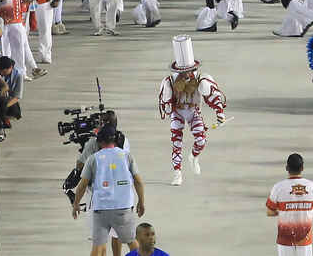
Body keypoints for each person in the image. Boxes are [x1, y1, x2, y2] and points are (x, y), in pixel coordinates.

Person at [157, 36, 226, 185]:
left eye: (189, 70)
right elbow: (166, 103)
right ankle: (177, 173)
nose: (187, 73)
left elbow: (213, 96)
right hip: (178, 112)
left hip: (193, 111)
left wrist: (219, 113)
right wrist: (169, 105)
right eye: (184, 71)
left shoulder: (202, 80)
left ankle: (194, 157)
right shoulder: (169, 81)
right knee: (176, 142)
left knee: (201, 139)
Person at [73, 124, 145, 256]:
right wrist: (141, 201)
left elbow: (82, 185)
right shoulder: (126, 156)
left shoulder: (93, 159)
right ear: (117, 139)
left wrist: (76, 204)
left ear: (99, 141)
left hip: (101, 208)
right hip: (123, 208)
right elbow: (138, 181)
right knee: (131, 242)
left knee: (98, 245)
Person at [267, 154, 313, 256]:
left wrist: (284, 211)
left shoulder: (278, 187)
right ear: (302, 168)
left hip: (285, 238)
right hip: (305, 239)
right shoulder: (312, 187)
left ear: (287, 168)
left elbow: (270, 211)